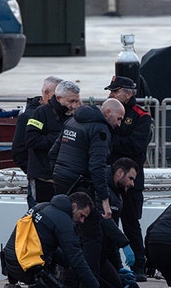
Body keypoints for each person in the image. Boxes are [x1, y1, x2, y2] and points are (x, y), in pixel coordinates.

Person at [49, 99, 125, 277]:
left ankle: (64, 277)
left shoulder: (72, 121)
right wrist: (104, 200)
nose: (119, 124)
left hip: (61, 181)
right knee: (93, 235)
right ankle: (89, 284)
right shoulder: (100, 129)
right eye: (119, 118)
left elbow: (53, 153)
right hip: (81, 184)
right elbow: (97, 167)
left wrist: (57, 175)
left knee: (65, 230)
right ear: (107, 113)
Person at [2, 192, 108, 288]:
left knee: (66, 276)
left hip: (13, 260)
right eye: (81, 215)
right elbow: (76, 258)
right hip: (24, 266)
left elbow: (48, 245)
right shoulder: (63, 221)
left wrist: (68, 263)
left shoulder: (43, 207)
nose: (82, 221)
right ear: (74, 206)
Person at [106, 75, 153, 281]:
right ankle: (112, 265)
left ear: (127, 93)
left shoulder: (141, 116)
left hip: (131, 181)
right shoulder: (108, 111)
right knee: (109, 223)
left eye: (115, 91)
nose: (111, 94)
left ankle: (139, 266)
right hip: (110, 179)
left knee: (131, 223)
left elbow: (135, 146)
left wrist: (113, 140)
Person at [24, 80, 80, 204]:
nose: (74, 106)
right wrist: (61, 138)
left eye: (76, 101)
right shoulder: (40, 113)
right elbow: (31, 140)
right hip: (42, 178)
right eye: (71, 101)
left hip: (64, 178)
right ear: (59, 98)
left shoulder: (74, 116)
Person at [12, 76, 62, 208]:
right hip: (40, 180)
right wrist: (35, 171)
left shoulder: (61, 114)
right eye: (57, 95)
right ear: (46, 93)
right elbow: (19, 151)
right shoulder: (29, 116)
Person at [95, 158, 139, 288]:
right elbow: (104, 220)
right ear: (120, 172)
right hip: (91, 251)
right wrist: (124, 243)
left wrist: (118, 266)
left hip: (102, 253)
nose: (132, 184)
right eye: (130, 178)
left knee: (118, 285)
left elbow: (112, 233)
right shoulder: (101, 189)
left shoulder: (117, 195)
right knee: (113, 287)